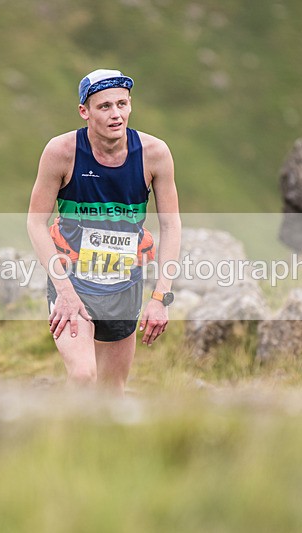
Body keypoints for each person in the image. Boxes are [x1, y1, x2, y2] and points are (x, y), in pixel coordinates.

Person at [27, 69, 181, 394]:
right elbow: (35, 222)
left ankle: (92, 444)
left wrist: (161, 297)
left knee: (111, 392)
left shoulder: (154, 153)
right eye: (105, 106)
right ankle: (61, 443)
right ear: (84, 111)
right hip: (73, 281)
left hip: (124, 284)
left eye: (122, 104)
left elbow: (170, 224)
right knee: (83, 376)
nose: (116, 114)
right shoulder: (61, 152)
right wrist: (64, 292)